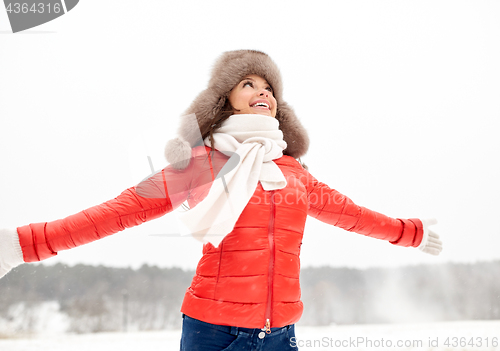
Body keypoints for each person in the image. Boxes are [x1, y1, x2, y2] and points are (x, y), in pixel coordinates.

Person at [0, 50, 443, 351]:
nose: (263, 91)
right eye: (248, 83)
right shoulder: (201, 163)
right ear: (225, 99)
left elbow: (353, 216)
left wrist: (412, 232)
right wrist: (25, 243)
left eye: (269, 86)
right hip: (213, 331)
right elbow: (121, 211)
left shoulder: (293, 173)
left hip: (280, 334)